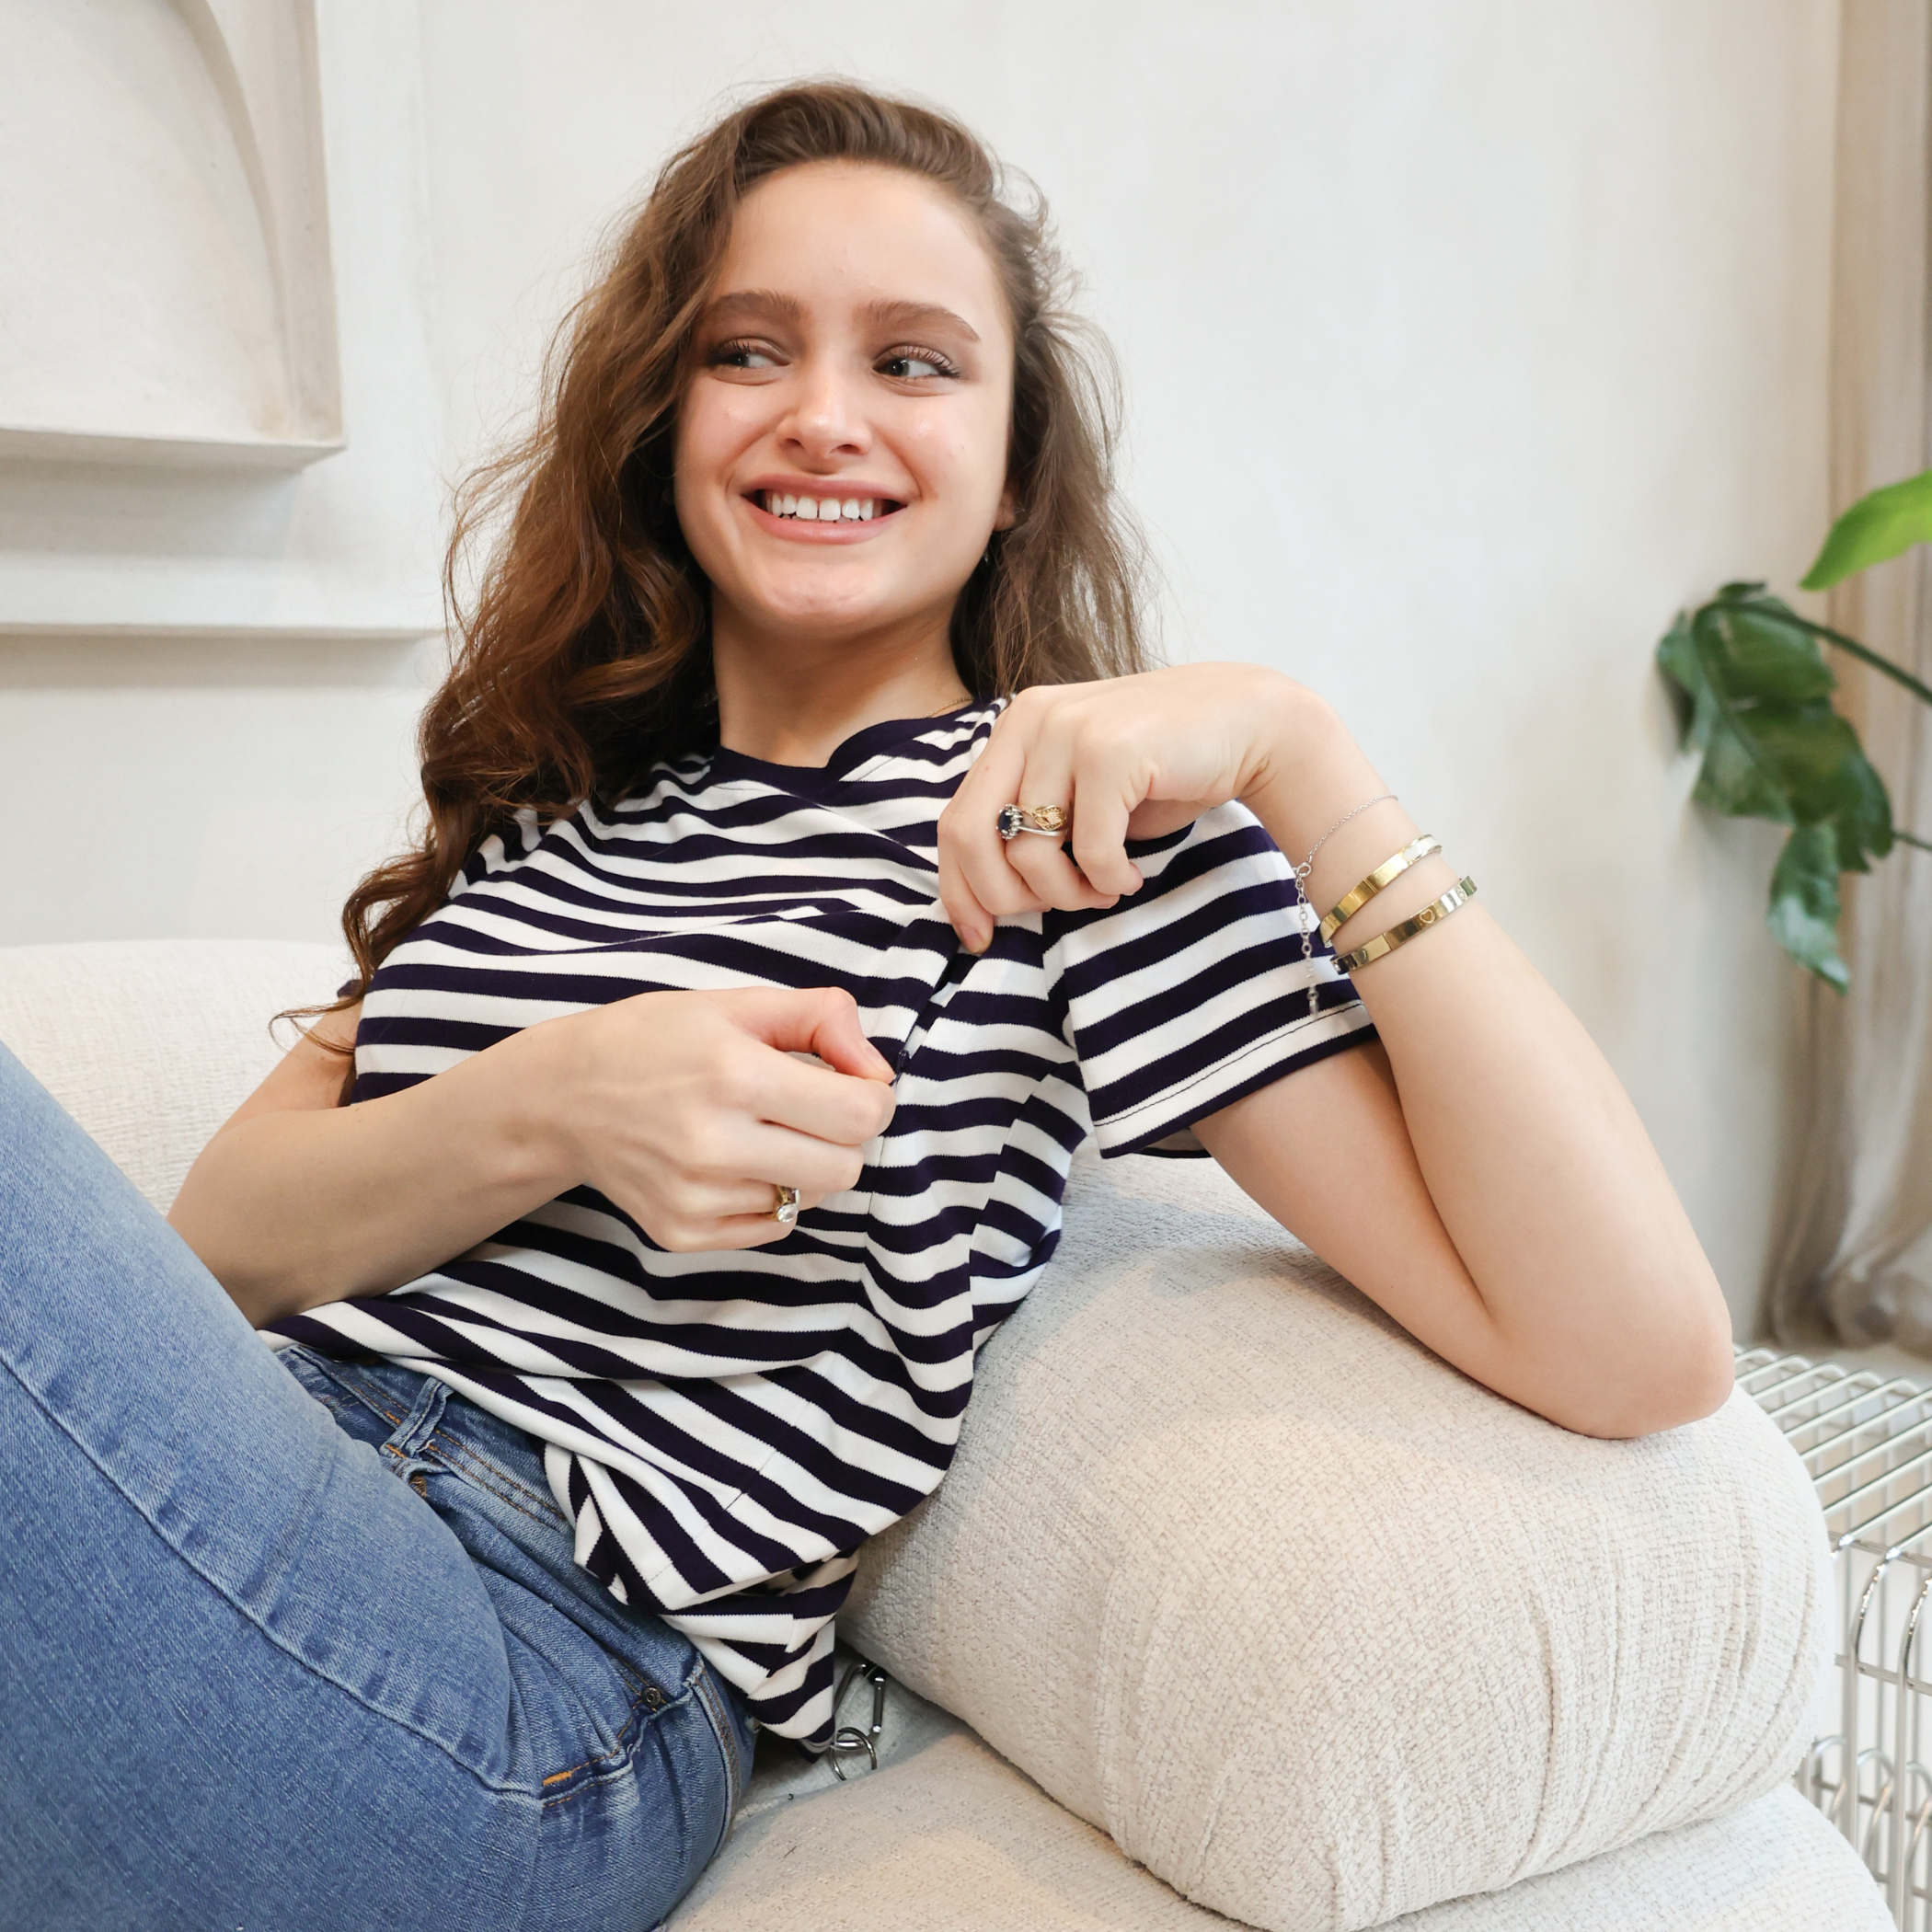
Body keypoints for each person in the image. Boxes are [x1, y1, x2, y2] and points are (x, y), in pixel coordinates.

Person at [0, 81, 1734, 1932]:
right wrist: (565, 1097)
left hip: (520, 1686)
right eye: (748, 350)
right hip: (257, 1512)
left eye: (914, 363)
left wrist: (1305, 754)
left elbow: (1639, 1348)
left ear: (1015, 465)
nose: (823, 413)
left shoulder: (1061, 832)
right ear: (668, 422)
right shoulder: (555, 816)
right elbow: (214, 1253)